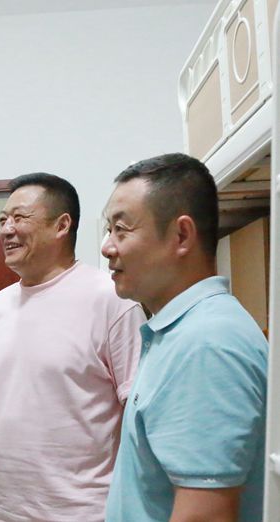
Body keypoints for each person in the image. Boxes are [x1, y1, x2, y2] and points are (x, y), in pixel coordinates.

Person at [0, 173, 144, 522]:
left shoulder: (112, 300)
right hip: (6, 511)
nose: (6, 230)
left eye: (19, 218)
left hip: (85, 513)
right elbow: (5, 397)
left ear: (62, 225)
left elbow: (139, 415)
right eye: (3, 220)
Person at [102, 153, 267, 522]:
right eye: (108, 230)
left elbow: (205, 516)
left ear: (181, 236)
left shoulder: (206, 344)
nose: (107, 246)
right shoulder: (181, 332)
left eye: (121, 229)